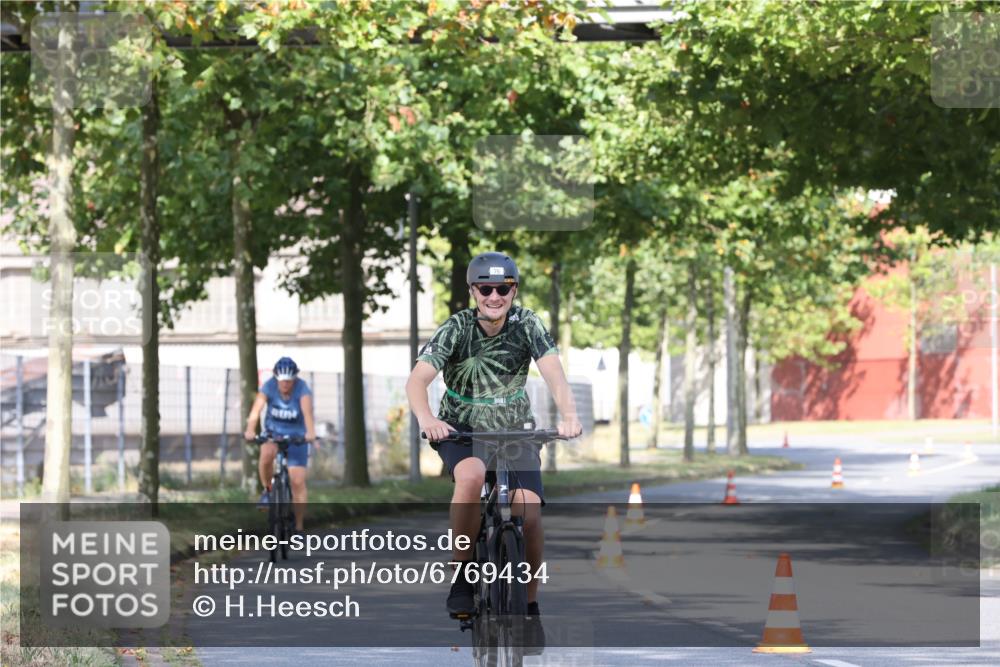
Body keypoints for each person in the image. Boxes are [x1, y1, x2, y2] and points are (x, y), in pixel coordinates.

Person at [405, 252, 583, 626]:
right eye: (485, 288)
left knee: (529, 513)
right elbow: (417, 381)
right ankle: (461, 575)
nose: (494, 296)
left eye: (502, 288)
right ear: (473, 291)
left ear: (513, 290)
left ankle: (529, 605)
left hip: (514, 430)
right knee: (469, 478)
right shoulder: (456, 327)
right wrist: (428, 419)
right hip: (462, 430)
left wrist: (569, 415)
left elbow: (554, 374)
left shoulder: (527, 324)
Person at [244, 356, 316, 533]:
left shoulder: (302, 389)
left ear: (295, 379)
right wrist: (250, 430)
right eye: (282, 381)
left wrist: (310, 432)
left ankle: (298, 525)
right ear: (276, 378)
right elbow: (256, 410)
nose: (285, 385)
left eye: (289, 381)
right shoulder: (268, 387)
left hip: (297, 436)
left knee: (297, 481)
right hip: (273, 432)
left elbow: (307, 413)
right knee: (267, 454)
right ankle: (268, 491)